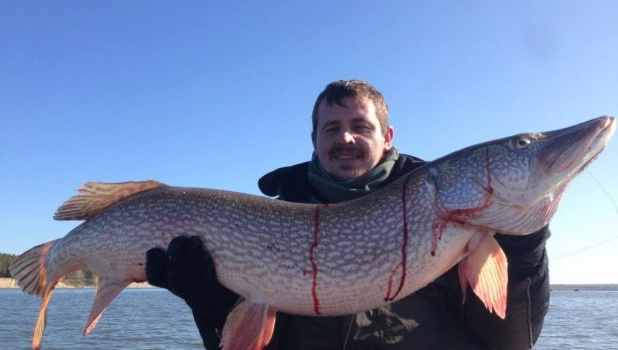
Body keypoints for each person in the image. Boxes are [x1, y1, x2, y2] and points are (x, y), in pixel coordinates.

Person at [146, 80, 550, 349]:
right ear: (314, 140)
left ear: (387, 137)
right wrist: (213, 307)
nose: (345, 138)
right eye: (331, 128)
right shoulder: (272, 221)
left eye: (361, 125)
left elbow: (511, 343)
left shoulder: (447, 214)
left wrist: (523, 251)